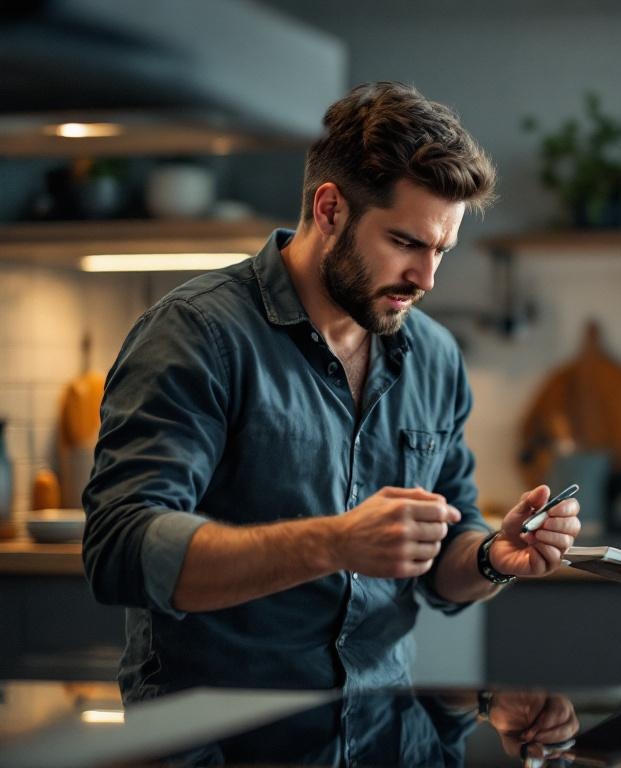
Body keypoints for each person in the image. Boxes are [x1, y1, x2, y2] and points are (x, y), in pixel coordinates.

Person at [82, 82, 581, 703]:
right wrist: (335, 541)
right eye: (405, 243)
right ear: (329, 210)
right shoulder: (198, 334)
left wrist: (490, 557)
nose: (425, 278)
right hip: (222, 739)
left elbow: (446, 556)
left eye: (441, 251)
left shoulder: (434, 356)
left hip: (385, 732)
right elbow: (121, 548)